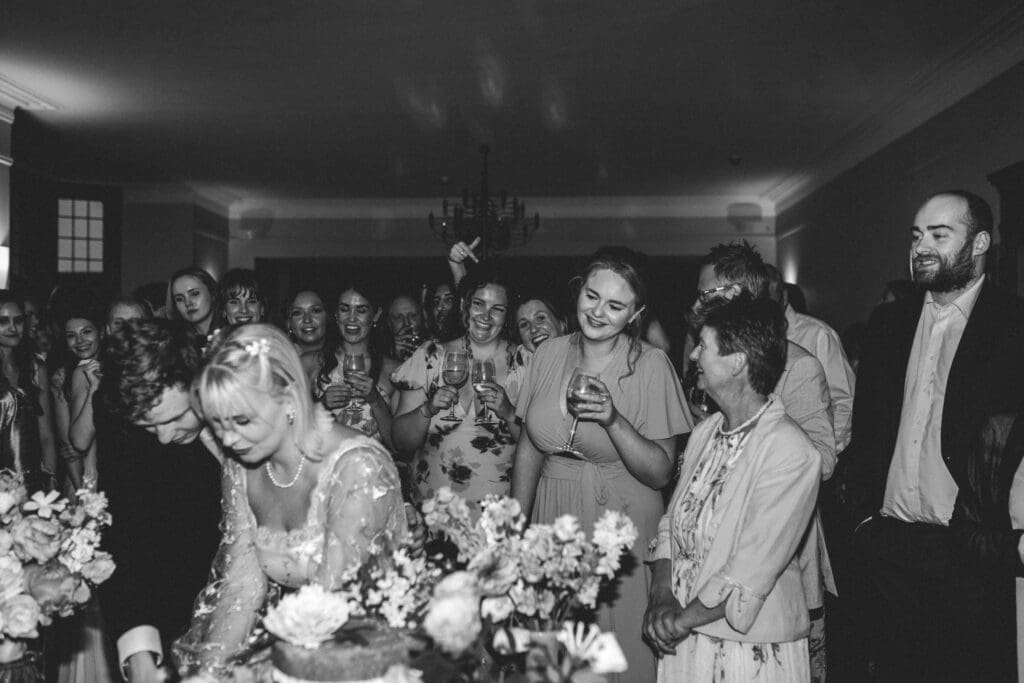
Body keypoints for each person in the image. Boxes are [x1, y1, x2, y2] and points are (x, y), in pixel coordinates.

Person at [842, 190, 1024, 682]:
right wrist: (862, 521)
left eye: (939, 235)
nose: (921, 246)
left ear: (979, 243)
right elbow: (868, 429)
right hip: (889, 541)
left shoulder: (1013, 325)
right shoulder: (889, 323)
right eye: (917, 235)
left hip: (968, 549)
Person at [174, 324, 408, 679]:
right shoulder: (241, 465)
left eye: (241, 420)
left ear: (287, 400)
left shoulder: (357, 468)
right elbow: (241, 588)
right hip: (293, 648)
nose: (228, 440)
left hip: (360, 653)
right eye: (217, 424)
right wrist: (209, 672)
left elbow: (338, 604)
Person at [511, 249, 692, 683]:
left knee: (621, 656)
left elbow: (660, 472)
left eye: (615, 305)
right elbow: (529, 447)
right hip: (554, 518)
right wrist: (514, 530)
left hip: (621, 526)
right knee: (557, 659)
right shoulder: (548, 353)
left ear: (636, 313)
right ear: (578, 291)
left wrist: (612, 419)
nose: (598, 312)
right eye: (592, 297)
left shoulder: (650, 364)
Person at [645, 295, 820, 682]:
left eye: (703, 346)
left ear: (737, 361)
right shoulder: (706, 431)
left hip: (746, 647)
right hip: (685, 631)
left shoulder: (791, 451)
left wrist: (678, 621)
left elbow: (750, 570)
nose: (693, 356)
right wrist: (661, 595)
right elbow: (672, 521)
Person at [97, 318, 223, 683]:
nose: (164, 438)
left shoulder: (249, 408)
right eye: (150, 426)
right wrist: (139, 650)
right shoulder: (122, 421)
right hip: (173, 611)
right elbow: (123, 534)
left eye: (178, 416)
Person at [393, 264, 526, 503]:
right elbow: (401, 443)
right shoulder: (429, 356)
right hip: (434, 509)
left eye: (497, 309)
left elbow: (539, 446)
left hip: (498, 511)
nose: (486, 316)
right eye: (478, 304)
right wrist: (427, 409)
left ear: (507, 315)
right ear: (464, 304)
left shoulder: (524, 362)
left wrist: (509, 413)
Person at [766, 264, 855, 453]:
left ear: (783, 297)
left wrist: (826, 455)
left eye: (767, 301)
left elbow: (845, 401)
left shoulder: (818, 335)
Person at [315, 284, 397, 448]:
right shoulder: (313, 363)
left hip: (373, 461)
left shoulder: (394, 369)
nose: (351, 318)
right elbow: (292, 431)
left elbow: (397, 445)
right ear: (336, 314)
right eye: (345, 309)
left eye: (361, 310)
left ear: (376, 315)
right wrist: (321, 406)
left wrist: (375, 400)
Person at [0, 290, 58, 492]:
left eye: (18, 321)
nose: (12, 328)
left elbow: (46, 435)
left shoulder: (36, 368)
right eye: (3, 321)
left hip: (31, 483)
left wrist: (51, 478)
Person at [284, 289, 330, 386]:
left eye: (315, 311)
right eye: (297, 313)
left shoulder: (344, 356)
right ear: (289, 323)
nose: (307, 320)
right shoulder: (281, 360)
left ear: (327, 317)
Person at [167, 267, 217, 341]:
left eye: (195, 294)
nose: (187, 303)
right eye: (179, 299)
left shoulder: (231, 334)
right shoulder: (175, 341)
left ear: (212, 293)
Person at [384, 294, 425, 362]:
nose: (407, 323)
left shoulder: (436, 348)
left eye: (413, 316)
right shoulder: (382, 356)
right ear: (389, 323)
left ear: (422, 317)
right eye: (398, 318)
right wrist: (394, 358)